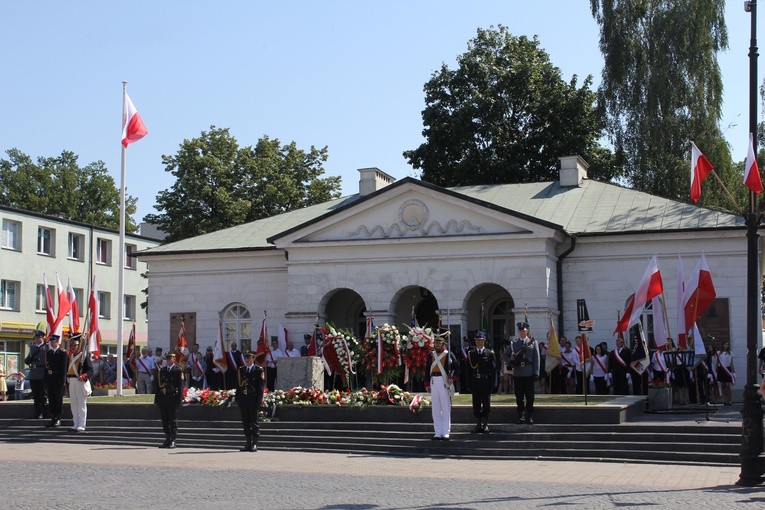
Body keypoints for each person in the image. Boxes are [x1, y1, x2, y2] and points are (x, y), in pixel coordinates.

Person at [424, 331, 458, 440]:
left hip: (444, 381)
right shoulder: (431, 355)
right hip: (434, 381)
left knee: (445, 407)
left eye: (439, 343)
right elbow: (427, 370)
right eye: (436, 343)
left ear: (443, 343)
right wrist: (426, 383)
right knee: (436, 408)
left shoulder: (448, 354)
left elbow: (457, 368)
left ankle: (445, 432)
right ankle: (437, 432)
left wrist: (452, 378)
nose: (437, 345)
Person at [506, 322, 540, 424]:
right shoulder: (513, 343)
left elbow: (536, 358)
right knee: (519, 396)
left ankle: (529, 416)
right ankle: (520, 415)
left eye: (524, 330)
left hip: (529, 372)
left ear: (527, 331)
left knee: (530, 396)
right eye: (520, 331)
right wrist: (510, 362)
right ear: (518, 332)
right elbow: (506, 355)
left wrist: (536, 372)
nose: (522, 332)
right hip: (518, 373)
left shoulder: (533, 342)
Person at [235, 351, 265, 452]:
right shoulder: (241, 370)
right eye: (245, 358)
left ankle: (254, 443)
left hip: (253, 400)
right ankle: (248, 442)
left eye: (249, 358)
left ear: (253, 359)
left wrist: (259, 400)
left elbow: (260, 387)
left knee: (254, 422)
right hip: (243, 400)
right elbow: (239, 386)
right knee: (245, 422)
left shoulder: (258, 370)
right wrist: (237, 399)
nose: (247, 360)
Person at [467, 331, 496, 433]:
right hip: (475, 381)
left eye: (481, 340)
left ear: (484, 341)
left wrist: (493, 384)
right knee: (476, 404)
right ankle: (478, 424)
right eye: (477, 340)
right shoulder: (471, 353)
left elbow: (493, 370)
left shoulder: (489, 353)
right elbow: (468, 370)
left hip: (485, 381)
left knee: (486, 403)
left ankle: (485, 424)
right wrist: (468, 384)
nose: (479, 342)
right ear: (475, 341)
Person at [155, 352, 184, 448]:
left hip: (172, 398)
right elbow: (158, 386)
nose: (168, 360)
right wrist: (157, 399)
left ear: (174, 359)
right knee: (164, 420)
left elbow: (180, 387)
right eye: (167, 359)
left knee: (172, 420)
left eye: (170, 358)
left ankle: (173, 440)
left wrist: (179, 400)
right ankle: (167, 438)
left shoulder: (178, 371)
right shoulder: (162, 370)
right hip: (163, 398)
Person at [66, 335, 94, 432]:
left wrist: (84, 376)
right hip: (71, 381)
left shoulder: (83, 357)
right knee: (73, 404)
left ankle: (82, 424)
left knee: (81, 404)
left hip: (80, 381)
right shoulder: (70, 357)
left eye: (75, 345)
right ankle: (75, 423)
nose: (73, 348)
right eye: (71, 346)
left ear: (79, 345)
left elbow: (90, 370)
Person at [44, 335, 68, 428]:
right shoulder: (49, 353)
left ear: (58, 342)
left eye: (54, 342)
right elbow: (46, 368)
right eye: (51, 342)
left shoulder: (62, 353)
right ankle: (53, 417)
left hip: (58, 379)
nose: (52, 343)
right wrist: (45, 380)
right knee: (51, 399)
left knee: (58, 399)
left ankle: (58, 418)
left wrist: (63, 381)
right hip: (50, 379)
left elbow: (63, 368)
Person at [25, 327, 49, 418]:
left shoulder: (46, 347)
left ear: (43, 338)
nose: (36, 339)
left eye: (38, 337)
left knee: (42, 394)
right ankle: (37, 412)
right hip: (33, 373)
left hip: (42, 372)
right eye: (35, 338)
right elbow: (27, 360)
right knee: (35, 395)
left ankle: (43, 412)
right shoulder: (32, 347)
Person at [715, 340, 735, 406]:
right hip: (721, 370)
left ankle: (729, 400)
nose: (727, 345)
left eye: (728, 344)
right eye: (725, 344)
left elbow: (731, 363)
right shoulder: (718, 353)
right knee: (722, 386)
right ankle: (725, 400)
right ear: (722, 345)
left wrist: (733, 371)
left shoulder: (731, 353)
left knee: (727, 386)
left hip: (728, 370)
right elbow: (717, 362)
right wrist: (716, 370)